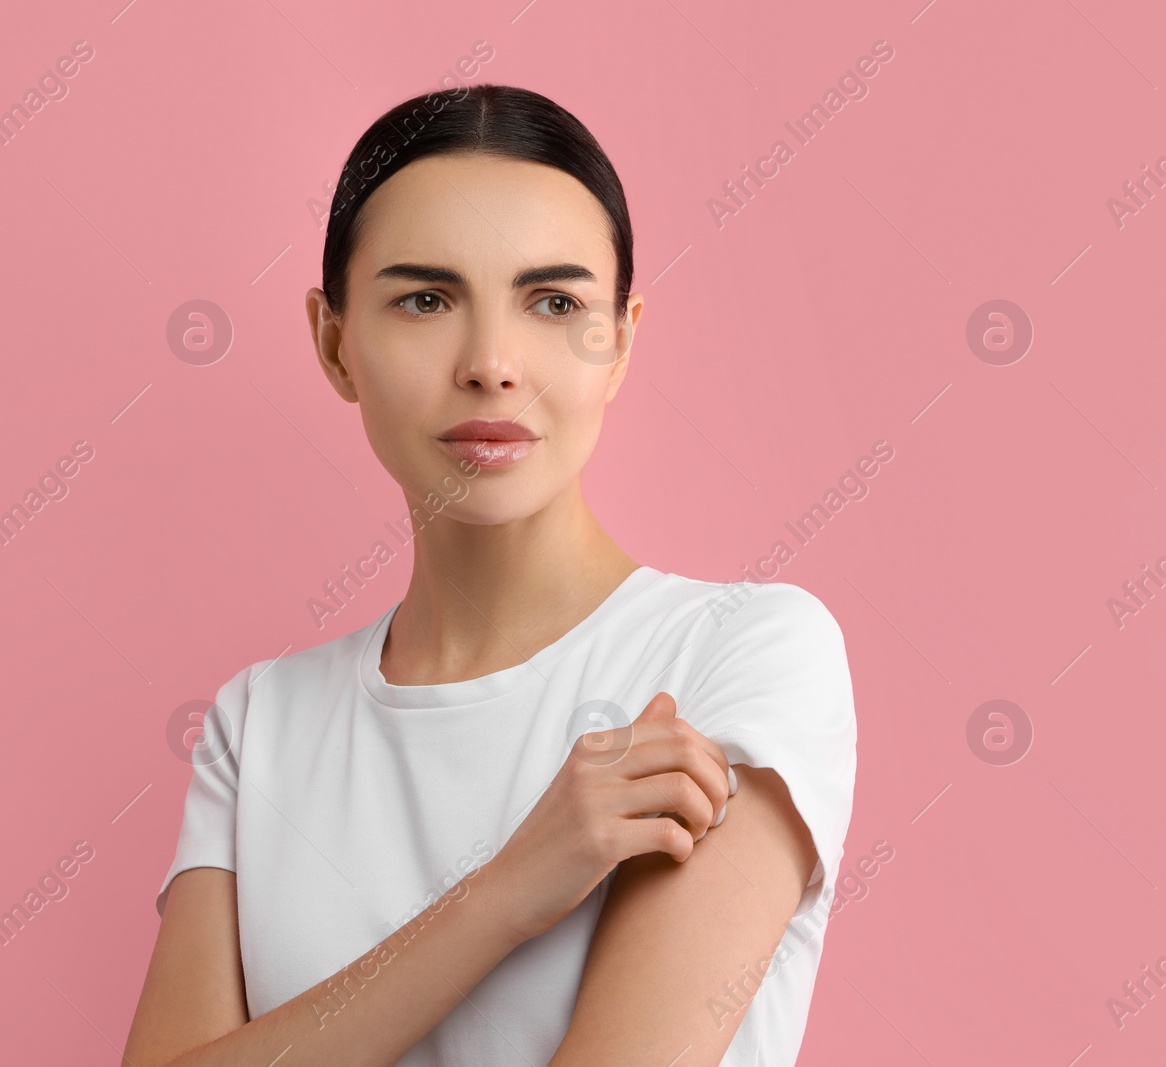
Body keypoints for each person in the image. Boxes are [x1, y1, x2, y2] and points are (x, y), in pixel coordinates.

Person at [123, 83, 857, 1067]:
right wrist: (505, 890)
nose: (492, 363)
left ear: (620, 341)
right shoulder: (262, 720)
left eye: (554, 302)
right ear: (335, 341)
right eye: (425, 299)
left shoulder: (737, 652)